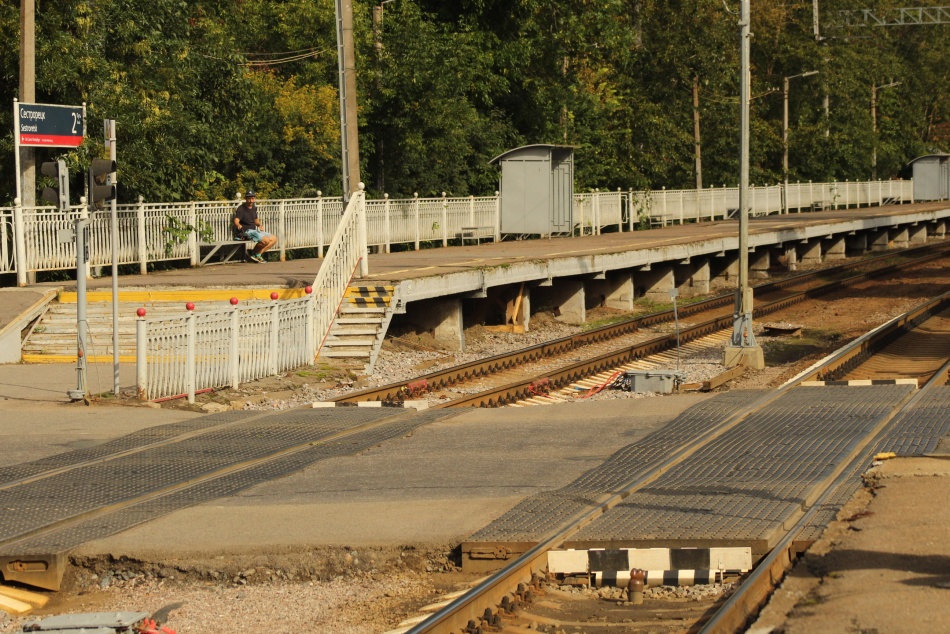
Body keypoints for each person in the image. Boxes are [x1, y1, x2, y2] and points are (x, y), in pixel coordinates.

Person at [232, 190, 277, 263]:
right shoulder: (241, 208)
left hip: (254, 230)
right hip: (246, 231)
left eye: (252, 198)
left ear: (254, 198)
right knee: (266, 240)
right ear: (246, 199)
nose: (250, 201)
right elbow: (236, 220)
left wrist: (259, 225)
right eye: (249, 198)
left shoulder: (253, 208)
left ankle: (257, 254)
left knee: (274, 239)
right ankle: (253, 253)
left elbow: (255, 219)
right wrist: (238, 225)